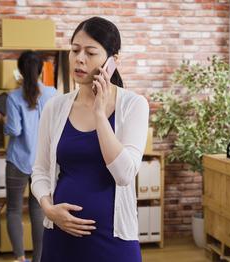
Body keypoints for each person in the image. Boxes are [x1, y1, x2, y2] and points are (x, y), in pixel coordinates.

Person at [30, 17, 149, 262]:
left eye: (90, 52)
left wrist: (99, 113)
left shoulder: (134, 105)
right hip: (60, 237)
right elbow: (40, 171)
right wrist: (49, 210)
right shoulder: (55, 107)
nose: (79, 59)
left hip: (113, 239)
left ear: (113, 61)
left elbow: (125, 174)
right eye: (75, 50)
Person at [3, 50, 57, 262]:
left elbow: (14, 130)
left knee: (15, 210)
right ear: (41, 70)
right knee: (39, 210)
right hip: (42, 164)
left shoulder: (13, 97)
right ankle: (39, 259)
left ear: (20, 71)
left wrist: (2, 119)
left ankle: (19, 258)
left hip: (18, 161)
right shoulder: (52, 94)